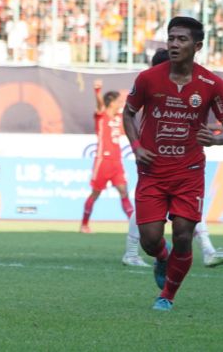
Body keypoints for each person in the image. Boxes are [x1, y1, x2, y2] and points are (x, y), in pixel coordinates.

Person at [123, 16, 223, 311]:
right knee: (150, 241)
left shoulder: (211, 83)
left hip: (188, 172)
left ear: (198, 46)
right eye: (171, 38)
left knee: (183, 235)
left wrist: (217, 140)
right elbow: (128, 114)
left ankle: (166, 295)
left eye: (182, 39)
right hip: (152, 171)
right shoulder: (148, 78)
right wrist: (137, 146)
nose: (174, 44)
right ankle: (162, 258)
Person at [148, 48, 223, 268]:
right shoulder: (151, 87)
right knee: (148, 227)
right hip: (156, 166)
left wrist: (215, 138)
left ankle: (207, 249)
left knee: (185, 222)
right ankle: (144, 252)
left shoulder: (202, 86)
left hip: (187, 166)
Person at [81, 79, 149, 268]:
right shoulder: (101, 115)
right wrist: (97, 90)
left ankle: (133, 226)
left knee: (124, 192)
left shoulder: (119, 117)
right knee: (95, 194)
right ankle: (84, 224)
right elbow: (99, 104)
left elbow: (130, 117)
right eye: (118, 100)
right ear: (110, 102)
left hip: (116, 162)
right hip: (102, 161)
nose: (121, 102)